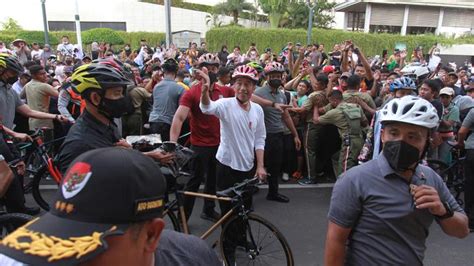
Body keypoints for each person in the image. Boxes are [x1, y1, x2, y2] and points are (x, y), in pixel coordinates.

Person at [0, 147, 221, 265]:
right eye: (55, 239)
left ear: (151, 236)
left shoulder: (193, 258)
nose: (64, 259)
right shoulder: (13, 259)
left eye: (87, 250)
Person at [325, 96, 469, 265]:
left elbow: (462, 230)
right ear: (383, 135)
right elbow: (336, 240)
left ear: (427, 142)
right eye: (394, 133)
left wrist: (442, 210)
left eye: (413, 136)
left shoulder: (430, 178)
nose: (401, 141)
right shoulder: (354, 180)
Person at [199, 65, 266, 263]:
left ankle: (241, 240)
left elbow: (260, 138)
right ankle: (227, 256)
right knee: (229, 216)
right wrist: (204, 92)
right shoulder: (225, 104)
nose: (243, 88)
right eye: (239, 84)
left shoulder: (258, 110)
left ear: (253, 88)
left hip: (248, 168)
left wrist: (260, 165)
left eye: (247, 84)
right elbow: (206, 108)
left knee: (245, 211)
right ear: (233, 86)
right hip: (226, 168)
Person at [56, 63, 173, 174]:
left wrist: (148, 155)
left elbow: (115, 156)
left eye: (122, 93)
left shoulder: (106, 123)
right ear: (96, 98)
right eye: (117, 93)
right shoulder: (79, 145)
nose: (122, 99)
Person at [169, 53, 231, 222]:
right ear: (198, 70)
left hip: (219, 145)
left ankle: (208, 210)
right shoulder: (192, 93)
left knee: (213, 180)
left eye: (213, 68)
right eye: (206, 67)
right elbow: (179, 117)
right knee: (194, 182)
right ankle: (183, 219)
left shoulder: (224, 91)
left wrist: (271, 104)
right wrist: (173, 144)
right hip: (200, 146)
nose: (210, 71)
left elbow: (246, 97)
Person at [254, 62, 301, 203]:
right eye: (272, 76)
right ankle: (249, 191)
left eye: (278, 76)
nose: (276, 78)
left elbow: (285, 116)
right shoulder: (259, 93)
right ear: (267, 77)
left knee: (275, 166)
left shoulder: (281, 94)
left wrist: (295, 135)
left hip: (278, 135)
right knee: (256, 164)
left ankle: (273, 193)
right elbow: (249, 100)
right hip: (262, 136)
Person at [0, 54, 66, 141]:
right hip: (7, 136)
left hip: (8, 136)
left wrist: (56, 116)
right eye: (12, 72)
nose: (15, 76)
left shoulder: (11, 90)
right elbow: (61, 96)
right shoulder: (44, 86)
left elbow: (28, 111)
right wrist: (13, 133)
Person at [314, 90, 368, 176]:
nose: (330, 104)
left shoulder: (335, 112)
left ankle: (344, 186)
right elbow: (365, 122)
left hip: (349, 142)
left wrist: (315, 106)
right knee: (336, 157)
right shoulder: (356, 106)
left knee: (345, 168)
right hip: (360, 140)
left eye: (330, 101)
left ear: (334, 100)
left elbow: (316, 120)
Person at [148, 58, 185, 141]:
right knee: (167, 150)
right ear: (175, 73)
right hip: (168, 123)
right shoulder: (180, 89)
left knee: (155, 149)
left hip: (153, 121)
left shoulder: (157, 86)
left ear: (164, 73)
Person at [24, 65, 60, 130]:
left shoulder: (27, 85)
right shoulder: (44, 86)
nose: (45, 75)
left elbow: (21, 96)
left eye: (45, 73)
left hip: (32, 120)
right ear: (34, 76)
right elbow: (61, 96)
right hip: (44, 120)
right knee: (48, 139)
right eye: (41, 74)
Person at [457, 107, 474, 232]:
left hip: (472, 150)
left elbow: (462, 131)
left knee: (470, 184)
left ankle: (470, 219)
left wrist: (460, 143)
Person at [437, 87, 460, 164]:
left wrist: (439, 118)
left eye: (447, 97)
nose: (444, 99)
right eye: (442, 97)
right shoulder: (437, 106)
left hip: (447, 136)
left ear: (451, 97)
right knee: (433, 158)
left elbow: (448, 124)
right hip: (436, 135)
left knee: (442, 158)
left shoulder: (454, 109)